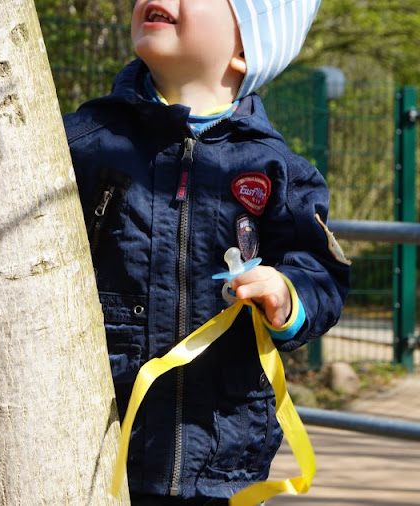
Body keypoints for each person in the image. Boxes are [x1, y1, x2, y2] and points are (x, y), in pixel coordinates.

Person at [64, 0, 351, 504]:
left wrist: (287, 293)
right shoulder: (84, 143)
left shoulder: (278, 169)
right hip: (97, 442)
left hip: (223, 456)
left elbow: (321, 271)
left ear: (245, 49)